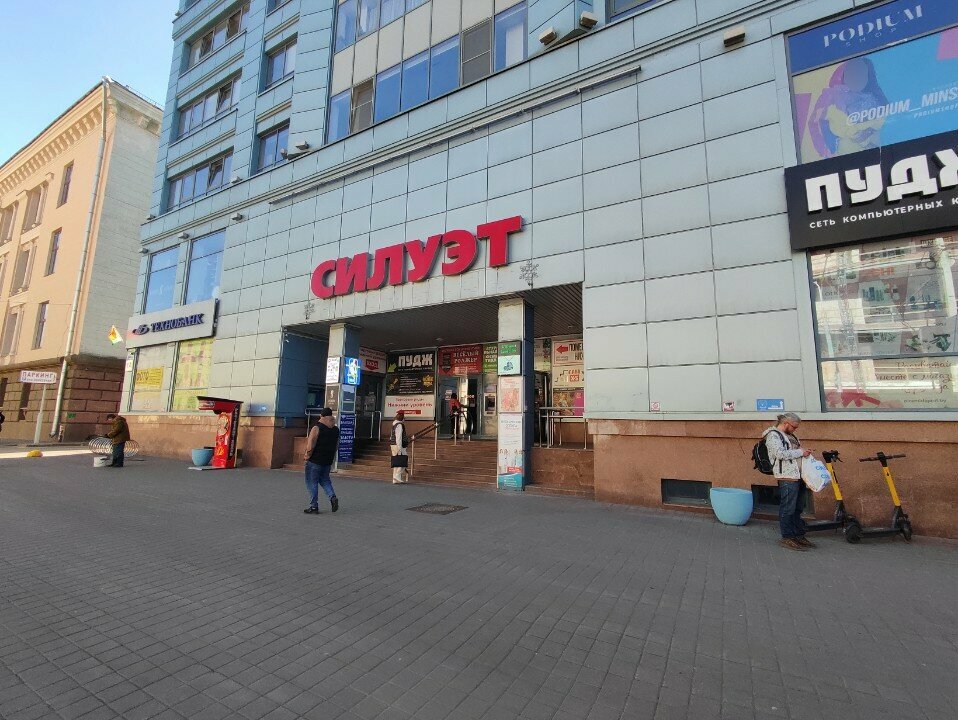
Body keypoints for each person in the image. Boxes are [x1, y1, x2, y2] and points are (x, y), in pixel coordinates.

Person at [763, 412, 813, 551]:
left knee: (798, 508)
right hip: (786, 476)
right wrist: (800, 452)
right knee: (788, 508)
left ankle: (798, 535)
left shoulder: (791, 436)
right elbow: (779, 454)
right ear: (786, 423)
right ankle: (787, 537)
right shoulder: (773, 435)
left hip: (798, 475)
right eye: (794, 427)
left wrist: (804, 452)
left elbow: (794, 452)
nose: (795, 429)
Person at [303, 407, 340, 514]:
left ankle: (314, 506)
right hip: (327, 460)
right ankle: (332, 496)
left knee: (312, 482)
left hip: (315, 460)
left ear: (321, 416)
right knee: (325, 480)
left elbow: (311, 445)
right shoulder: (336, 429)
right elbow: (337, 445)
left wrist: (307, 456)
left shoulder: (317, 428)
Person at [390, 411, 411, 484]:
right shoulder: (399, 425)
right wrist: (399, 448)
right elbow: (398, 437)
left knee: (396, 461)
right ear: (402, 418)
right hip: (399, 445)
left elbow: (392, 436)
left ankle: (395, 479)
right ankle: (397, 476)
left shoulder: (394, 424)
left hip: (393, 445)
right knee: (404, 460)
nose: (404, 419)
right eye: (404, 417)